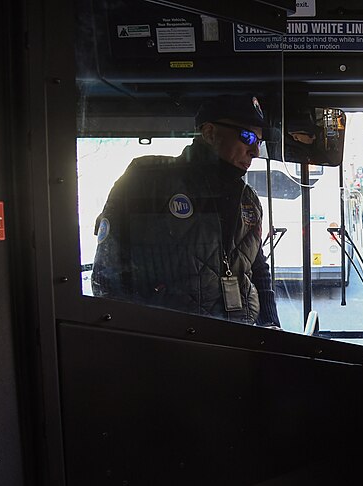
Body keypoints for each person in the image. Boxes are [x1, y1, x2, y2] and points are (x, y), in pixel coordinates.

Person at [91, 93, 280, 327]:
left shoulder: (248, 199)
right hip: (171, 346)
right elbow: (108, 276)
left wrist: (270, 327)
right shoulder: (146, 182)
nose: (255, 151)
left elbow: (257, 269)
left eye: (259, 141)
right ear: (210, 133)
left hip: (240, 341)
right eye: (247, 136)